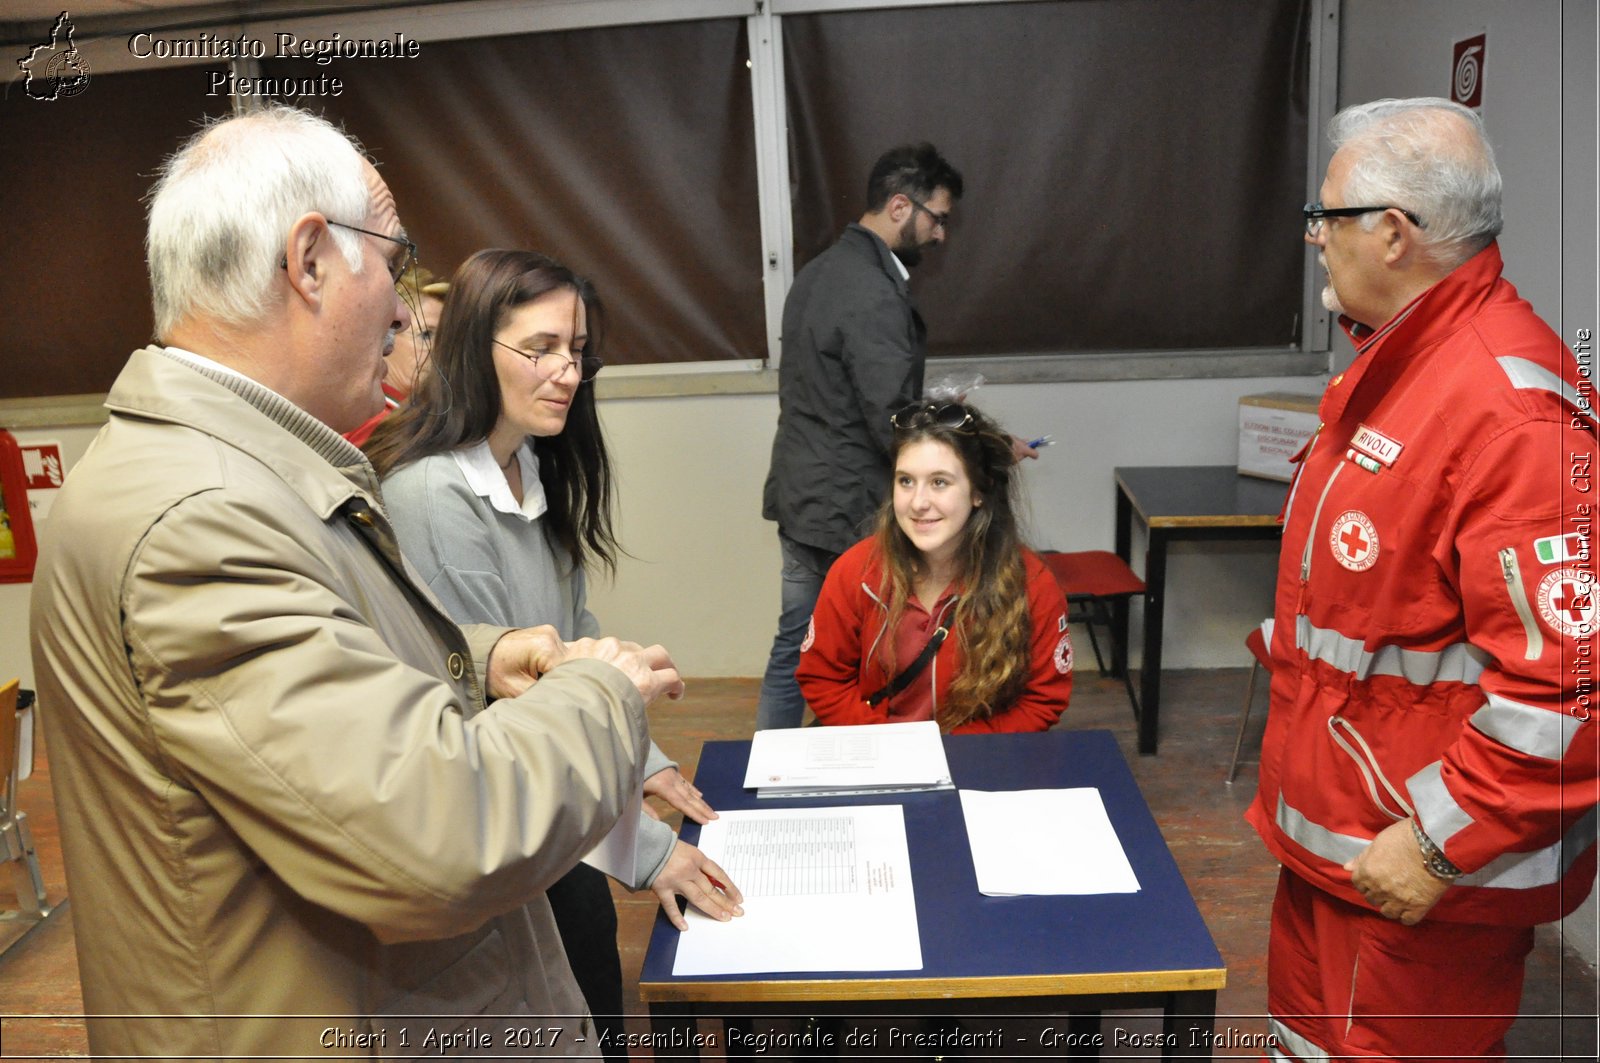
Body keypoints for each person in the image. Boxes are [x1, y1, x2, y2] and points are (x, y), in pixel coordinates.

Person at [28, 104, 694, 1059]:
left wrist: (481, 655)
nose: (400, 308)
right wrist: (604, 693)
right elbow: (437, 835)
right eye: (390, 258)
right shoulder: (198, 517)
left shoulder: (237, 474)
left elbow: (326, 662)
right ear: (308, 262)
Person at [1248, 97, 1598, 1060]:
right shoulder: (1399, 366)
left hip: (1416, 875)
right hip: (1338, 849)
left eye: (1327, 217)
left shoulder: (1508, 413)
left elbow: (1571, 691)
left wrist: (1440, 844)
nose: (1316, 239)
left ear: (1393, 234)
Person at [365, 249, 742, 1059]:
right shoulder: (433, 495)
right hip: (507, 827)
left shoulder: (527, 460)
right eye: (539, 349)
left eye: (574, 350)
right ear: (472, 348)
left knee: (596, 992)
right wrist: (649, 850)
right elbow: (513, 719)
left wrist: (643, 758)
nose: (566, 371)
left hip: (557, 808)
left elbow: (573, 640)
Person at [758, 142, 971, 730]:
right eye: (939, 218)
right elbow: (892, 418)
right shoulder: (873, 290)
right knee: (846, 662)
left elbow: (843, 392)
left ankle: (768, 772)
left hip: (804, 496)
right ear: (901, 206)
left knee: (794, 648)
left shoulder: (819, 272)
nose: (940, 235)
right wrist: (972, 444)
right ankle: (837, 776)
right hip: (845, 506)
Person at [797, 401, 1072, 731]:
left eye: (939, 482)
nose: (918, 502)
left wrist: (955, 751)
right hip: (877, 754)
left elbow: (1041, 700)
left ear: (978, 493)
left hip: (974, 758)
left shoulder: (1031, 582)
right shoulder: (857, 571)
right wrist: (888, 747)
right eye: (906, 481)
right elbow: (822, 678)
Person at [344, 261, 448, 446]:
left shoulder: (411, 421)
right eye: (427, 334)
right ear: (384, 334)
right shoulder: (374, 420)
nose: (439, 349)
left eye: (446, 340)